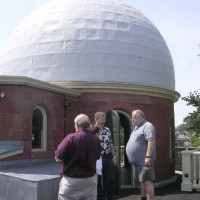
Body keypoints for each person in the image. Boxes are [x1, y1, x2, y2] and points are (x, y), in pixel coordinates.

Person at [55, 114, 101, 200]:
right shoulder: (96, 140)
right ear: (88, 125)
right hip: (90, 181)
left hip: (72, 182)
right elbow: (97, 157)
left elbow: (58, 159)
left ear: (77, 125)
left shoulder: (71, 138)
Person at [126, 110, 156, 200]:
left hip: (145, 161)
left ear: (142, 117)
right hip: (138, 162)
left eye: (135, 117)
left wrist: (148, 157)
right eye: (132, 117)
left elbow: (151, 141)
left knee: (147, 182)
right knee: (142, 182)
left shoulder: (148, 126)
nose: (132, 119)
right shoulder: (137, 127)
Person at [94, 112, 117, 200]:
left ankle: (110, 197)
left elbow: (111, 144)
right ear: (96, 119)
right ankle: (99, 197)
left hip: (107, 157)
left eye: (105, 119)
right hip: (97, 158)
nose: (104, 120)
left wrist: (114, 157)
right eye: (102, 119)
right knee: (98, 180)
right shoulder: (92, 129)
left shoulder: (107, 129)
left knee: (110, 179)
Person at [90, 124, 103, 200]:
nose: (100, 135)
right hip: (94, 170)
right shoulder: (95, 142)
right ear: (96, 133)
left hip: (96, 169)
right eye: (100, 133)